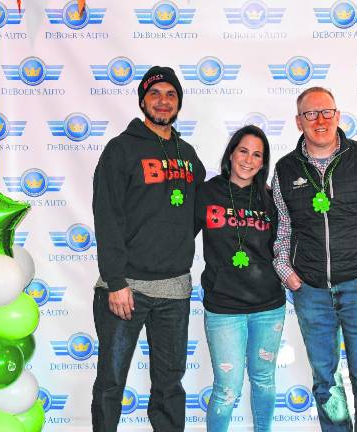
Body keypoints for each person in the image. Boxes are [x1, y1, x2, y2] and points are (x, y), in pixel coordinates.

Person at [272, 87, 357, 432]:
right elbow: (282, 227)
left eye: (326, 112)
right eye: (310, 114)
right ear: (298, 122)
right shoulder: (286, 169)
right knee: (325, 384)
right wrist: (286, 272)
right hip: (311, 292)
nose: (320, 120)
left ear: (338, 115)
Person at [91, 66, 205, 432]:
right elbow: (106, 214)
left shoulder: (187, 153)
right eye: (155, 94)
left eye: (171, 94)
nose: (163, 101)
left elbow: (200, 205)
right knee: (111, 382)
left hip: (174, 289)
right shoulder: (120, 149)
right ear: (143, 100)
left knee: (169, 385)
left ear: (179, 103)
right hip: (126, 288)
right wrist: (115, 280)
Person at [195, 125, 285, 432]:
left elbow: (289, 244)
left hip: (269, 306)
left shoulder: (271, 199)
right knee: (226, 389)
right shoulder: (207, 192)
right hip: (223, 309)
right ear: (231, 153)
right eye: (243, 151)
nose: (248, 160)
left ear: (263, 163)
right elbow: (176, 235)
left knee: (264, 381)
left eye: (257, 155)